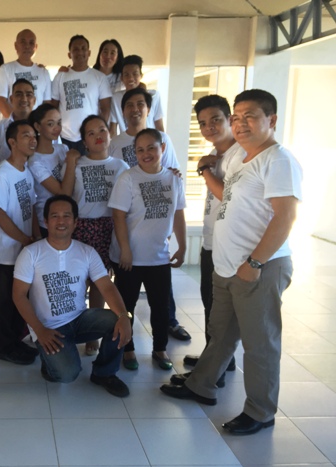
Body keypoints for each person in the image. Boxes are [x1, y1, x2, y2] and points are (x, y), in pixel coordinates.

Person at [161, 89, 302, 436]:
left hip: (258, 268)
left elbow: (285, 217)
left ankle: (260, 411)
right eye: (237, 117)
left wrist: (254, 263)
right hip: (228, 266)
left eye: (249, 116)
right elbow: (229, 198)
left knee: (259, 345)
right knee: (221, 334)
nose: (240, 124)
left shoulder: (278, 160)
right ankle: (201, 385)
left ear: (272, 119)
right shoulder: (242, 159)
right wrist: (206, 170)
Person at [13, 195, 132, 397]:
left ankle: (104, 373)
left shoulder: (87, 252)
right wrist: (39, 330)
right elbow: (19, 295)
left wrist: (123, 315)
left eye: (67, 216)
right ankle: (49, 363)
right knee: (67, 375)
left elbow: (106, 286)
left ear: (75, 222)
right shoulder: (31, 253)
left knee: (118, 321)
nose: (61, 221)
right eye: (55, 216)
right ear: (46, 221)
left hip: (79, 319)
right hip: (49, 327)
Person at [108, 87, 190, 342]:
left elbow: (178, 211)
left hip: (158, 254)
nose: (146, 154)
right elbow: (118, 215)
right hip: (129, 253)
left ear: (161, 147)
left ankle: (160, 347)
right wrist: (125, 249)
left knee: (161, 304)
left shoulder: (172, 176)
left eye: (151, 148)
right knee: (126, 305)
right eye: (140, 150)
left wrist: (182, 245)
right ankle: (127, 348)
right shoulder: (125, 171)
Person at [182, 94, 244, 382]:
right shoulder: (217, 154)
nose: (209, 127)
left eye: (216, 120)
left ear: (230, 119)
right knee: (210, 304)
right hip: (212, 242)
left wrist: (204, 169)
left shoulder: (239, 155)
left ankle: (214, 370)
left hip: (227, 246)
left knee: (221, 311)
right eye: (203, 123)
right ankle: (216, 359)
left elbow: (226, 196)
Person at [60, 115, 129, 355]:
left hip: (108, 226)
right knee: (77, 281)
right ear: (84, 142)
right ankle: (71, 327)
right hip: (81, 227)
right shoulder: (76, 163)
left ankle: (93, 335)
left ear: (109, 135)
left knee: (101, 281)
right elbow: (65, 195)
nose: (98, 135)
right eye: (91, 133)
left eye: (102, 130)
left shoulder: (121, 167)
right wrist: (71, 163)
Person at [0, 120, 40, 365]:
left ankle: (16, 342)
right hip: (6, 252)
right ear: (12, 142)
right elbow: (0, 214)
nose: (33, 139)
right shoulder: (2, 173)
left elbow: (31, 208)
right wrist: (25, 239)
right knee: (5, 300)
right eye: (26, 135)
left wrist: (35, 238)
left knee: (20, 297)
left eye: (34, 135)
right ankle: (5, 347)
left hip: (24, 249)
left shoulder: (26, 171)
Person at [51, 35, 112, 154]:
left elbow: (106, 109)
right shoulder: (60, 77)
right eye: (75, 49)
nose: (80, 52)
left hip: (90, 138)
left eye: (83, 48)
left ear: (89, 53)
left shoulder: (99, 77)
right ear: (69, 54)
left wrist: (100, 134)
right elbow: (53, 107)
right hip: (64, 137)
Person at [27, 103, 76, 237]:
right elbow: (64, 194)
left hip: (68, 218)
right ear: (37, 126)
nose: (57, 128)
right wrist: (71, 160)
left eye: (59, 123)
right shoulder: (35, 161)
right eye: (50, 124)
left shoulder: (63, 149)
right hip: (48, 222)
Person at [0, 29, 51, 118]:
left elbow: (46, 103)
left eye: (31, 43)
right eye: (23, 42)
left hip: (36, 124)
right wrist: (16, 122)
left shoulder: (44, 72)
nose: (27, 46)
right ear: (16, 46)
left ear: (36, 47)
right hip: (14, 125)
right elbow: (0, 100)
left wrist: (37, 123)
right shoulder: (5, 69)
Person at [110, 55, 165, 135]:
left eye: (135, 74)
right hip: (126, 142)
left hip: (149, 140)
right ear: (121, 78)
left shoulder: (154, 96)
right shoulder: (116, 98)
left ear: (141, 75)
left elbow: (159, 126)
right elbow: (113, 129)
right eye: (126, 74)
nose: (131, 78)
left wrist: (162, 141)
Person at [0, 78, 36, 161]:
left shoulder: (44, 127)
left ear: (34, 100)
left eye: (29, 95)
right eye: (19, 94)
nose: (24, 99)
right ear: (11, 99)